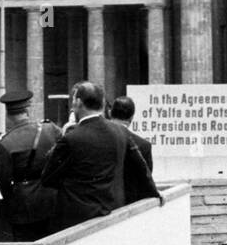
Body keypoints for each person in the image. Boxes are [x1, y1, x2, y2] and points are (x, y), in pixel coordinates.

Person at [40, 81, 160, 232]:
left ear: (78, 103)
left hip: (76, 219)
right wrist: (156, 193)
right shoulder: (120, 132)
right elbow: (142, 170)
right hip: (112, 212)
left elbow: (48, 178)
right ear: (103, 104)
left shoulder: (71, 138)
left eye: (73, 101)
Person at [0, 89, 62, 240]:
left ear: (8, 115)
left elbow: (4, 182)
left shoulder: (5, 143)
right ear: (27, 110)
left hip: (24, 204)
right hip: (52, 198)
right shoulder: (50, 129)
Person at [109, 95, 154, 174]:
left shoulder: (96, 139)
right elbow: (146, 181)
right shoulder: (143, 146)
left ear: (110, 113)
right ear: (132, 117)